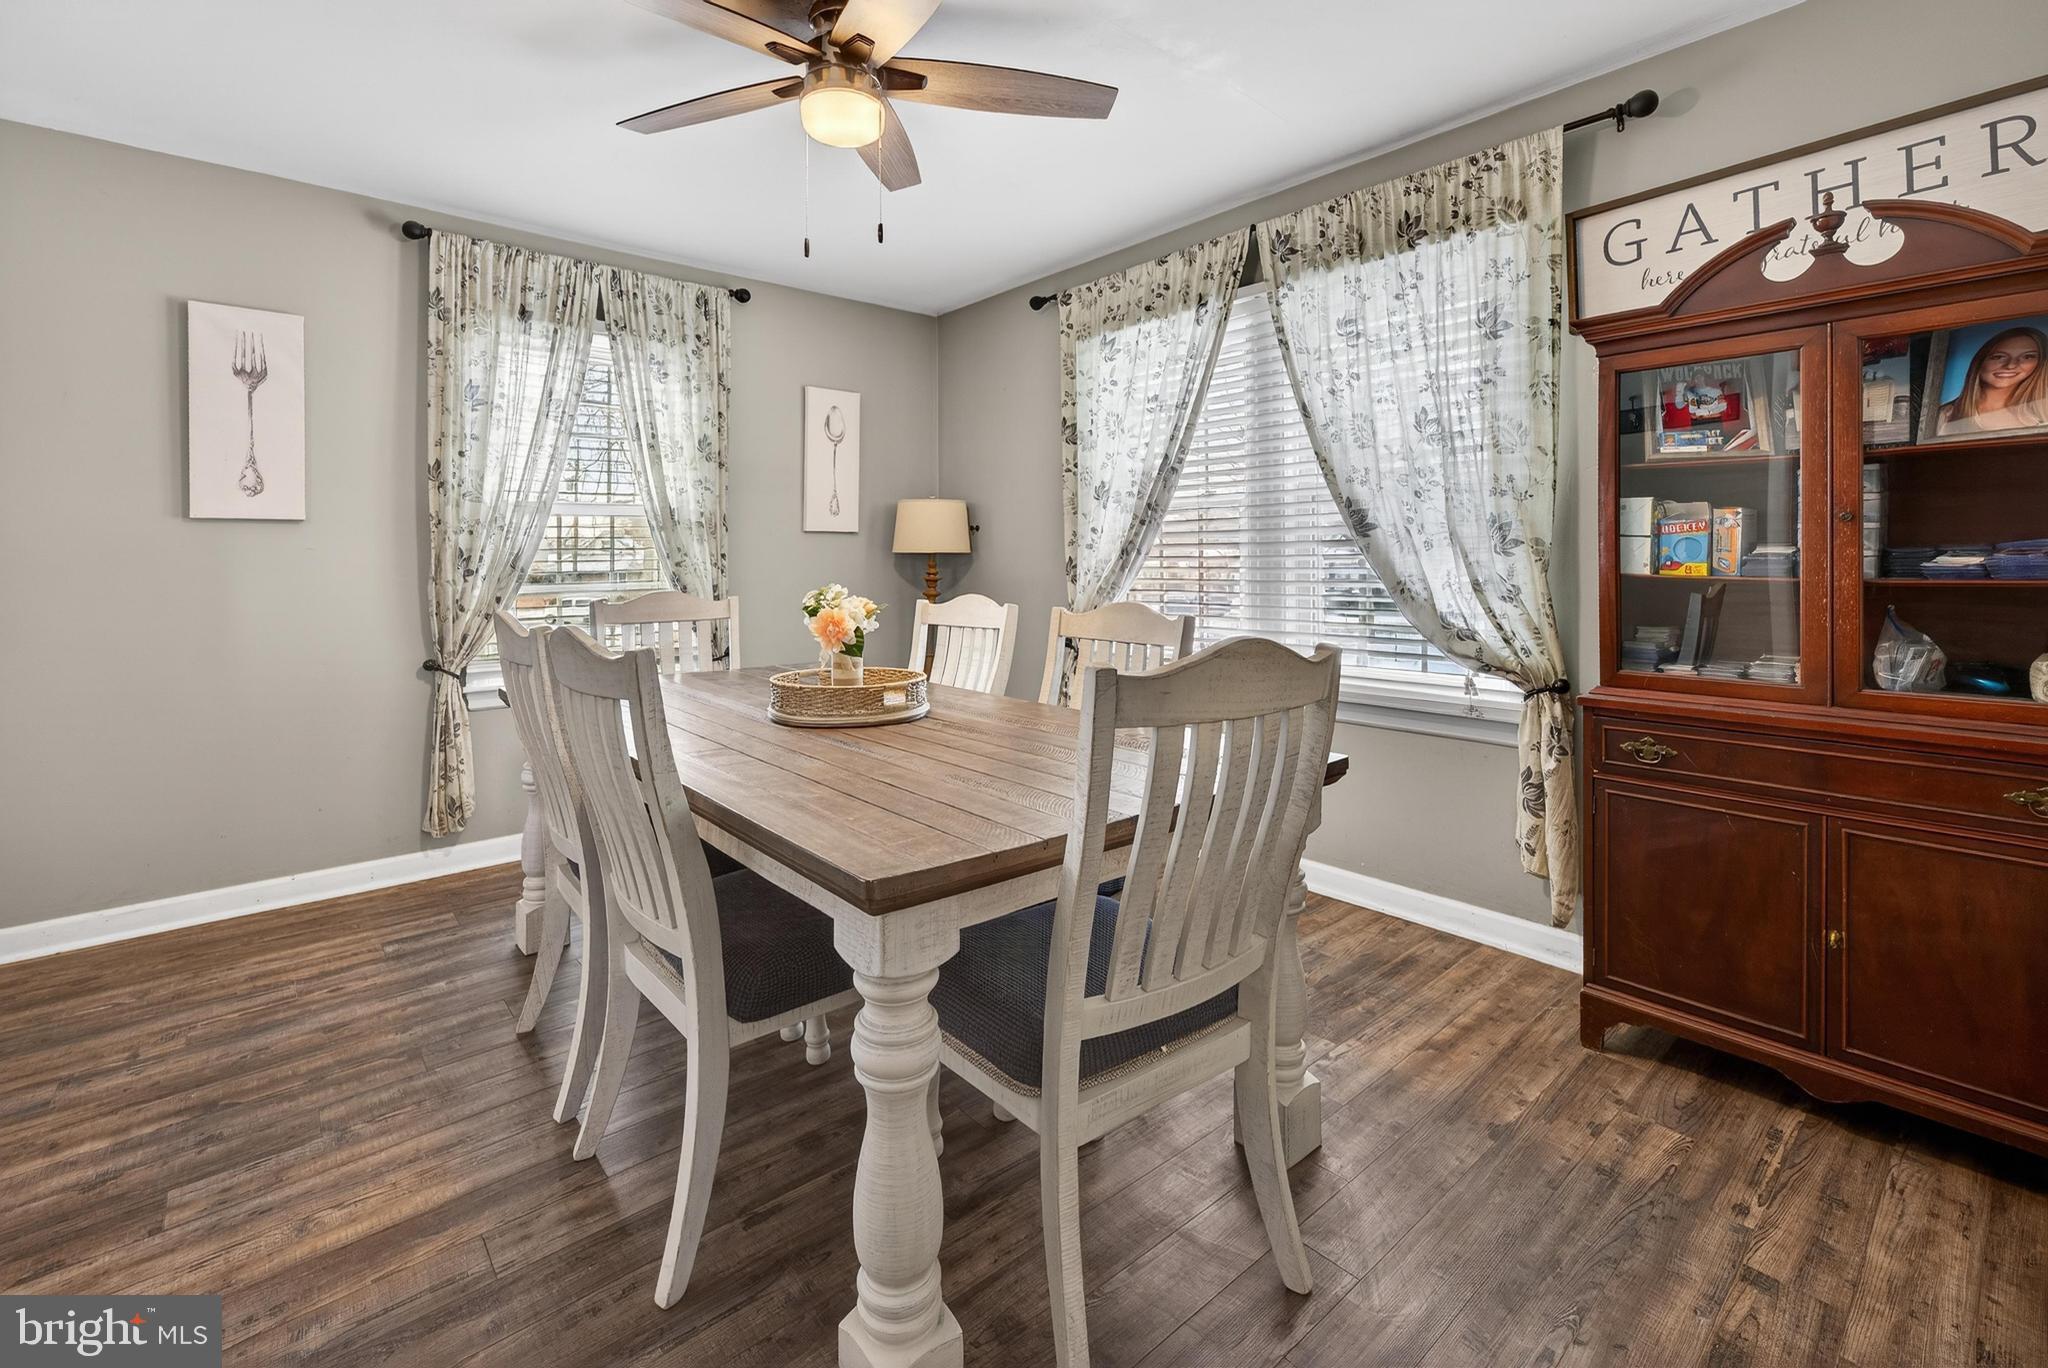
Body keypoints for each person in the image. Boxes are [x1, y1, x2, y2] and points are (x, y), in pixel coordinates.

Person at [1938, 325, 2048, 435]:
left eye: (2027, 357)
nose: (2010, 365)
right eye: (1998, 357)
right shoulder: (1943, 417)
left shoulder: (2041, 416)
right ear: (1980, 362)